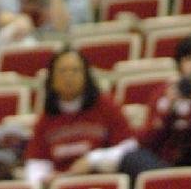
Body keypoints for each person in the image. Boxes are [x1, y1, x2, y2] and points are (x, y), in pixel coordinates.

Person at [91, 34, 191, 179]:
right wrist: (167, 112)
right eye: (189, 59)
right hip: (166, 167)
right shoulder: (163, 93)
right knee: (131, 159)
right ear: (180, 66)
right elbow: (146, 143)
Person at [24, 47, 135, 186]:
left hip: (102, 181)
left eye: (75, 70)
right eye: (63, 71)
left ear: (86, 75)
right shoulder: (45, 119)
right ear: (51, 79)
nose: (69, 76)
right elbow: (36, 163)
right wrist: (42, 179)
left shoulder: (105, 106)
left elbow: (129, 147)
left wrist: (94, 160)